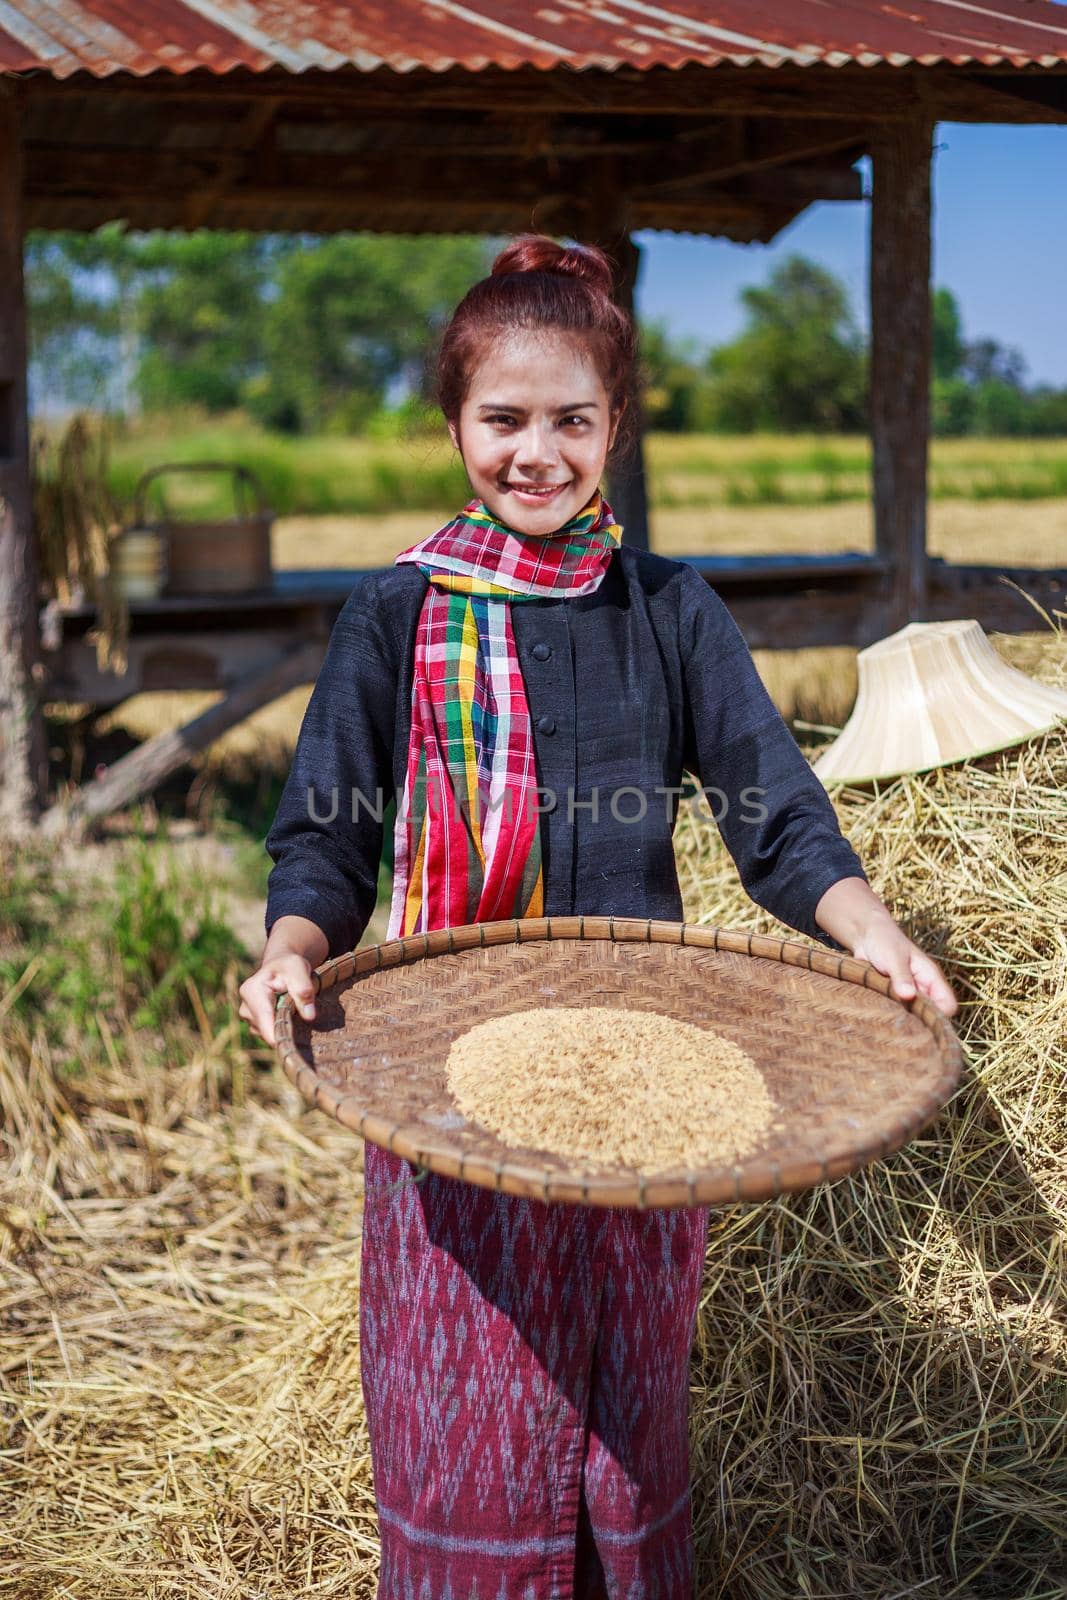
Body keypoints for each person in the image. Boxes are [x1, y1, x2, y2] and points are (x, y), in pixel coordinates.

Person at [239, 234, 958, 1599]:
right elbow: (325, 837)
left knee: (626, 1425)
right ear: (454, 421)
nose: (537, 452)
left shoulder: (669, 608)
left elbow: (772, 809)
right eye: (503, 419)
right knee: (469, 1424)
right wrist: (290, 947)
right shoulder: (395, 616)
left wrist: (872, 933)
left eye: (572, 419)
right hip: (448, 1093)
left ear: (615, 428)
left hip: (647, 1093)